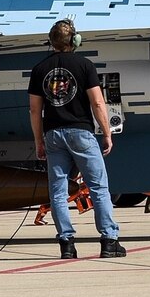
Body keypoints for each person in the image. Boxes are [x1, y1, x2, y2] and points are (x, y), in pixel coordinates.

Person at [28, 18, 124, 259]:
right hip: (81, 132)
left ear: (51, 41)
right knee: (98, 188)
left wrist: (39, 140)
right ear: (75, 41)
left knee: (57, 192)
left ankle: (67, 244)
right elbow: (97, 102)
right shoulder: (85, 65)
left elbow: (34, 110)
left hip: (53, 134)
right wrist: (107, 132)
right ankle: (109, 241)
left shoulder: (39, 70)